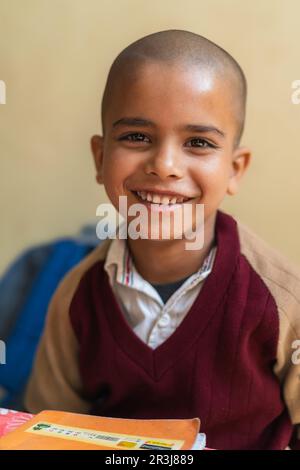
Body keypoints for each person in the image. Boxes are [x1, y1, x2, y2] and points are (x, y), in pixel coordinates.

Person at [24, 30, 300, 450]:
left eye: (198, 143)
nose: (165, 165)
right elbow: (47, 431)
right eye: (137, 136)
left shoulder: (282, 300)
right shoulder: (77, 295)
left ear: (235, 169)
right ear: (100, 158)